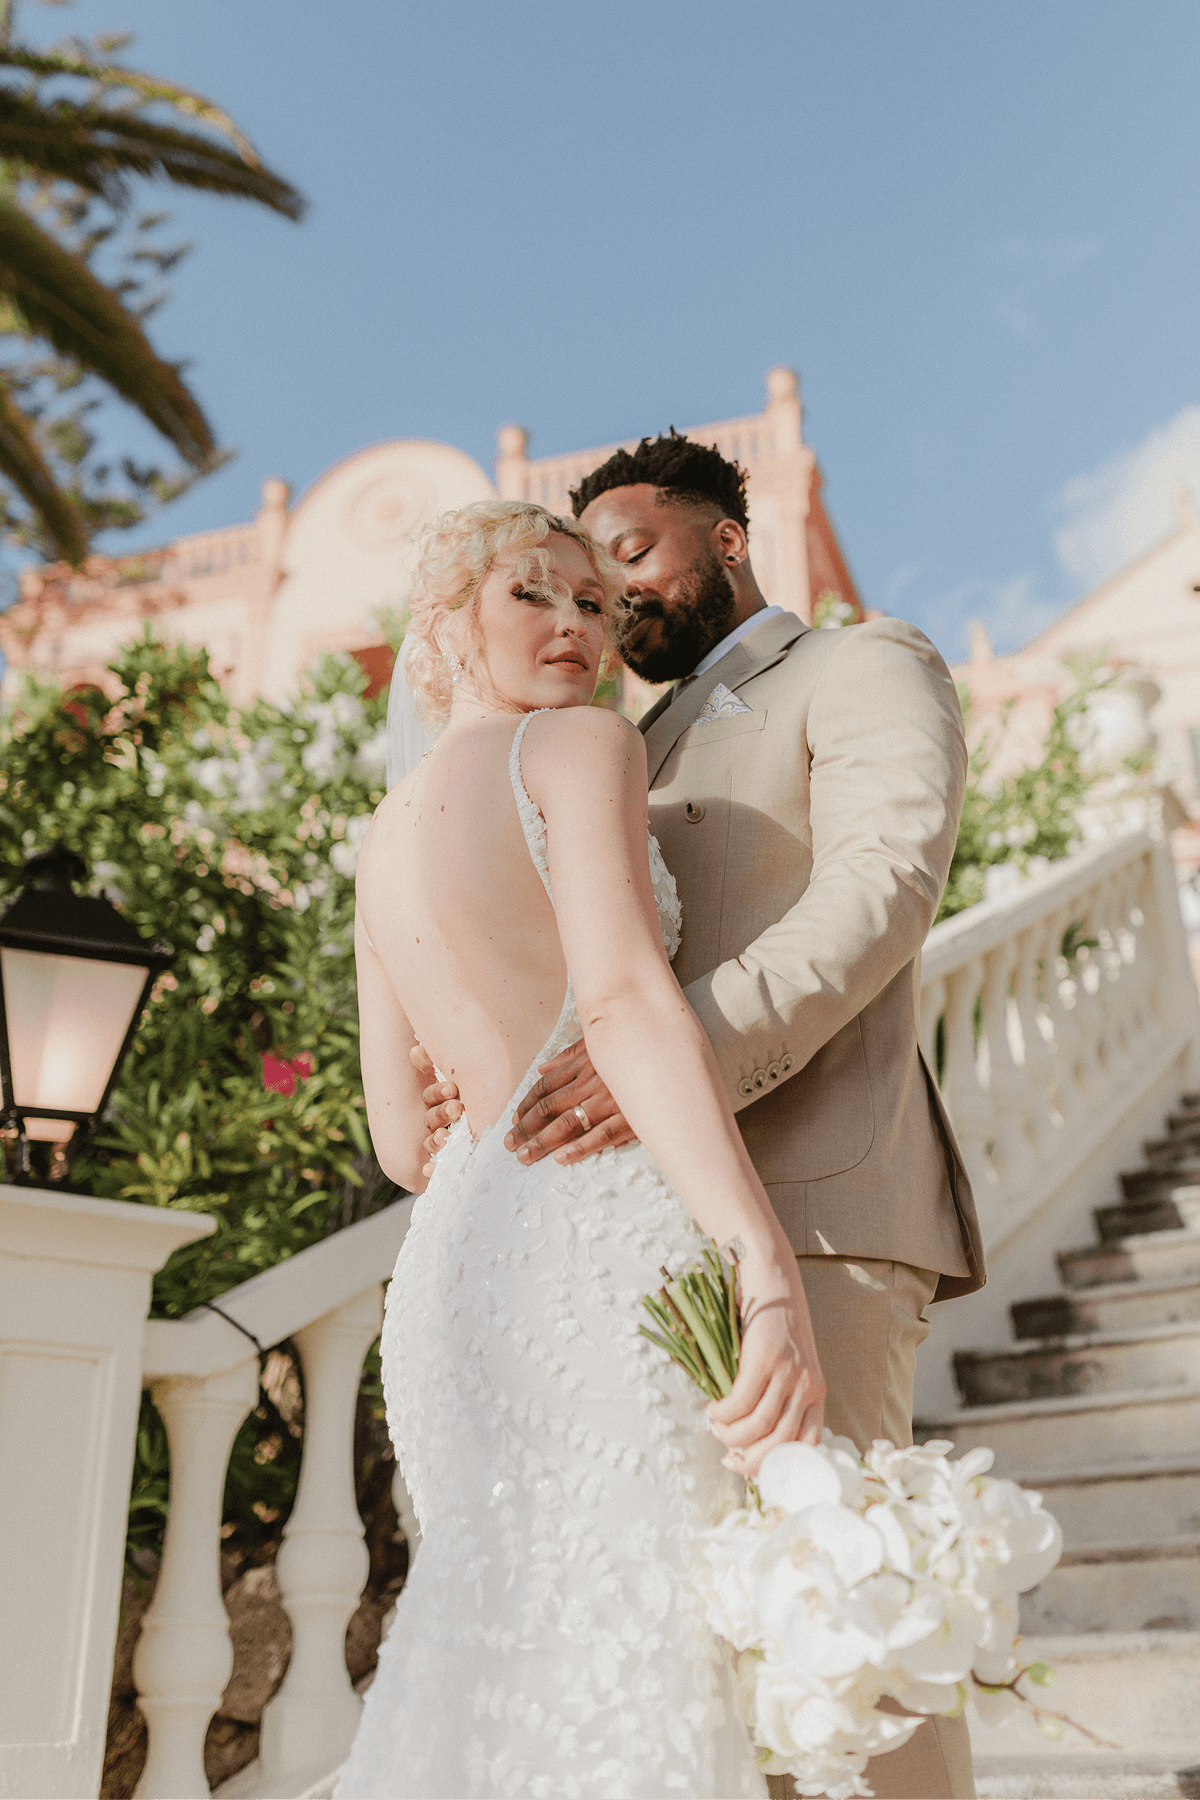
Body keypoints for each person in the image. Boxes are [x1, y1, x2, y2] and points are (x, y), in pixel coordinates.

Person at [418, 433, 985, 1800]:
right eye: (583, 583)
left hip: (816, 1212)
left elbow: (880, 893)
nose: (611, 602)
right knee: (711, 1671)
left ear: (727, 537)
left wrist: (672, 1058)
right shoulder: (588, 745)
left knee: (851, 1631)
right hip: (629, 1245)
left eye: (631, 556)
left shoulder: (861, 667)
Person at [335, 498, 824, 1800]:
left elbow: (401, 1141)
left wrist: (484, 1084)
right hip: (600, 1233)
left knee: (490, 1653)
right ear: (447, 624)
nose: (577, 627)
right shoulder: (578, 750)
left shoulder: (378, 843)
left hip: (456, 1271)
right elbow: (618, 1002)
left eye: (596, 606)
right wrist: (759, 1255)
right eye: (532, 596)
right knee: (634, 1634)